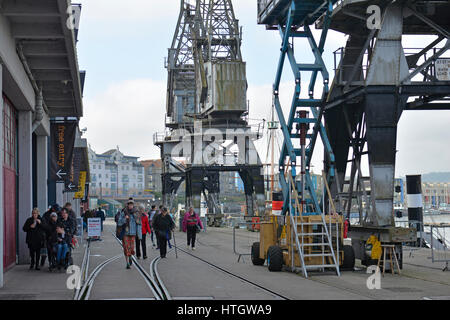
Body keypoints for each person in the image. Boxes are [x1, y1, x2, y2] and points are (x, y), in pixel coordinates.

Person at [117, 200, 141, 269]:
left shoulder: (136, 213)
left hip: (133, 233)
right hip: (125, 233)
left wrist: (139, 235)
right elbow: (119, 222)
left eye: (131, 204)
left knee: (132, 248)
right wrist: (125, 219)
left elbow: (139, 224)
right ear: (127, 205)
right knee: (126, 248)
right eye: (129, 204)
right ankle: (127, 263)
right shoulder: (123, 212)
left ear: (133, 205)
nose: (130, 206)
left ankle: (130, 256)